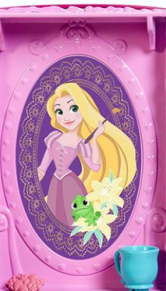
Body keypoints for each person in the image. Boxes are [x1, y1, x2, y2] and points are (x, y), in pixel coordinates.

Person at [38, 82, 136, 226]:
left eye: (73, 108)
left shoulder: (81, 143)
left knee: (73, 218)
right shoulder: (53, 138)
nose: (66, 117)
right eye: (59, 111)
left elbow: (95, 166)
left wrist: (95, 139)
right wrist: (37, 177)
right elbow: (43, 165)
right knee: (55, 216)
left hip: (71, 185)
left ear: (83, 109)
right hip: (55, 184)